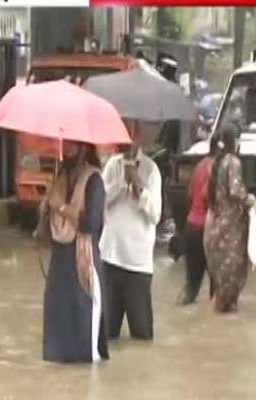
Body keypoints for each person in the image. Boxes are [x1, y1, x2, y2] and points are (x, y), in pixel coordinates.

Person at [40, 141, 109, 363]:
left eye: (72, 145)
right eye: (65, 144)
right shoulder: (60, 178)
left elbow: (91, 224)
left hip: (82, 262)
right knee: (57, 332)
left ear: (84, 148)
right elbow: (45, 228)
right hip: (60, 262)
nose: (67, 149)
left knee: (83, 337)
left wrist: (60, 206)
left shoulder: (94, 180)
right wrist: (46, 205)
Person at [100, 125, 162, 340]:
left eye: (134, 134)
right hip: (111, 257)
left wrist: (139, 186)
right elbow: (100, 201)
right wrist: (121, 182)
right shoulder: (111, 165)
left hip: (138, 263)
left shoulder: (151, 170)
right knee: (107, 334)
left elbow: (156, 215)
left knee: (142, 334)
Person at [204, 123, 256, 313]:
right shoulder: (233, 162)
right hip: (230, 232)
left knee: (220, 285)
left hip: (214, 229)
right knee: (230, 286)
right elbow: (235, 191)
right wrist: (249, 199)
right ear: (234, 141)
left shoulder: (216, 163)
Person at [177, 134, 219, 306]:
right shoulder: (217, 168)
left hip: (192, 227)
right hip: (209, 231)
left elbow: (189, 196)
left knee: (191, 287)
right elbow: (206, 196)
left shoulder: (200, 165)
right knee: (218, 290)